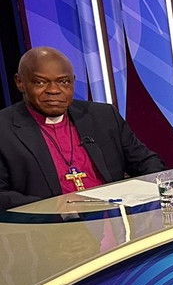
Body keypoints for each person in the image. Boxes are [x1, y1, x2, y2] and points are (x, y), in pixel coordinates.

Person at [0, 47, 163, 209]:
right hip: (50, 223)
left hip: (115, 217)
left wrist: (145, 197)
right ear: (20, 82)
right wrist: (52, 208)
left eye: (64, 82)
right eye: (40, 82)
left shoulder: (103, 116)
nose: (54, 90)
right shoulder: (4, 128)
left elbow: (147, 162)